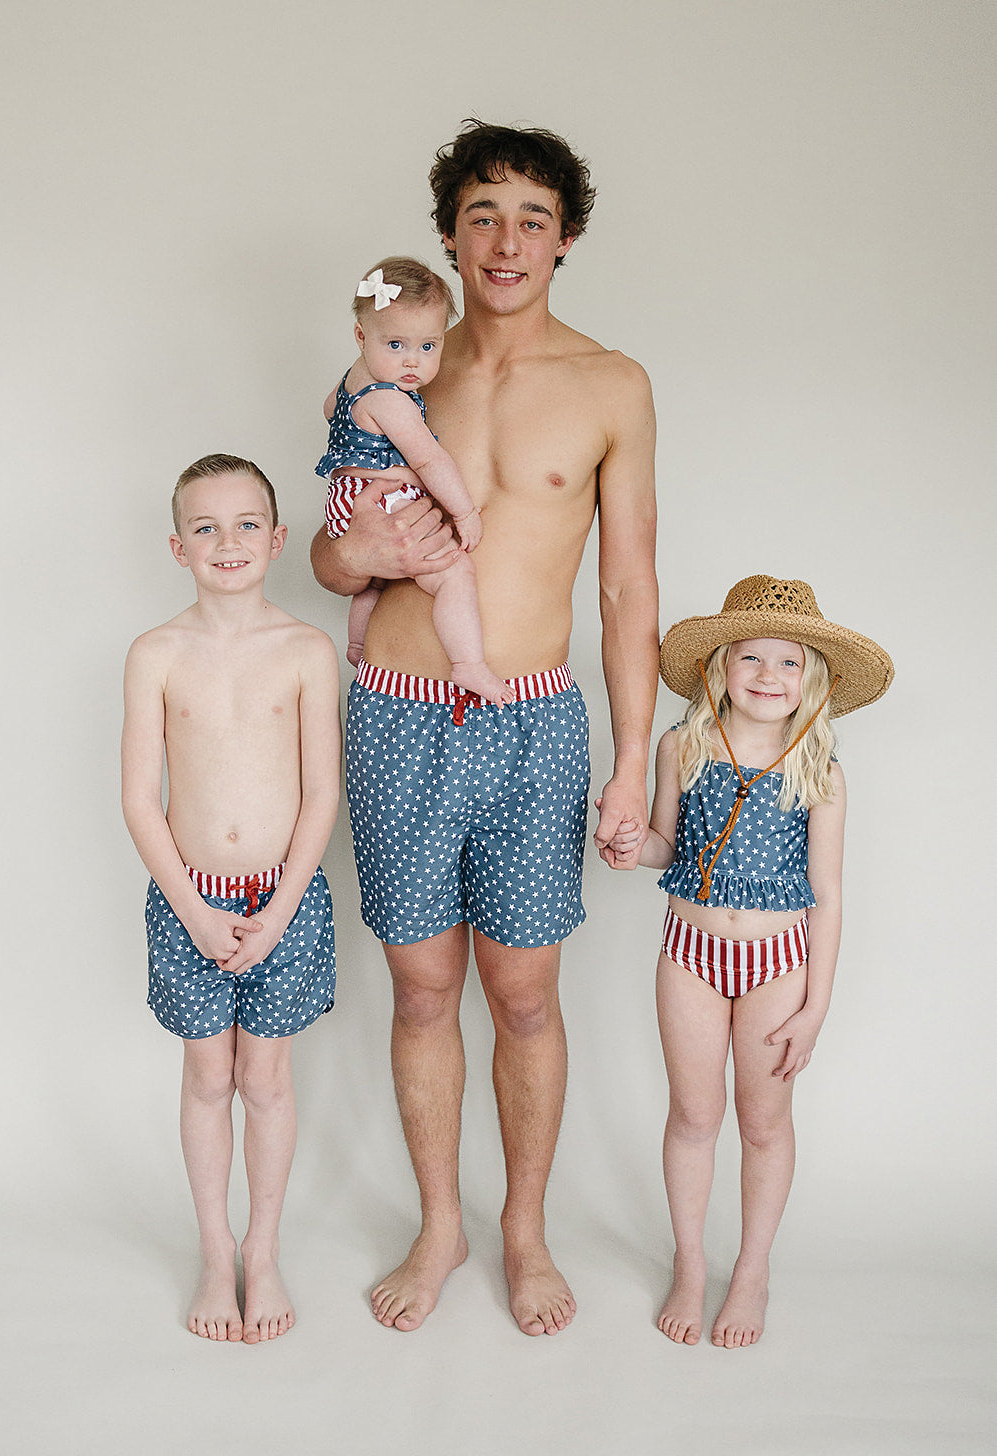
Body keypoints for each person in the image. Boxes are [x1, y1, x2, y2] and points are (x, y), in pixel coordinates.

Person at [311, 119, 659, 1335]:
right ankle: (439, 1224)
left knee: (522, 992)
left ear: (564, 238)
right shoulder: (394, 368)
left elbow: (625, 590)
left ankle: (523, 1229)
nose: (504, 239)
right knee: (418, 988)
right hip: (400, 712)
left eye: (529, 217)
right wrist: (345, 551)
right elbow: (334, 541)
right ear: (447, 235)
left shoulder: (611, 383)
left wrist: (629, 761)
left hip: (532, 723)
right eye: (480, 215)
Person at [628, 575, 892, 1348]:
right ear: (719, 667)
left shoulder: (820, 775)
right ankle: (688, 1262)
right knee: (692, 1114)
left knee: (763, 1120)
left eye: (787, 663)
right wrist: (624, 845)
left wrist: (815, 1008)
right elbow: (662, 848)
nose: (767, 677)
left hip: (778, 962)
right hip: (688, 954)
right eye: (751, 659)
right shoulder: (683, 748)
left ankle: (750, 1270)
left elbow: (829, 899)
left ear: (810, 679)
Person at [122, 454, 339, 1344]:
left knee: (266, 1078)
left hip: (284, 898)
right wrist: (195, 911)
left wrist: (281, 907)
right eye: (205, 527)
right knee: (209, 1076)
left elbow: (321, 792)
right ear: (178, 546)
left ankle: (263, 1245)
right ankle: (215, 1251)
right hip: (191, 899)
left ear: (278, 538)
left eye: (247, 523)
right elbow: (140, 798)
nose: (227, 542)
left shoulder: (305, 650)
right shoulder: (156, 653)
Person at [316, 256, 512, 704]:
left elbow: (331, 410)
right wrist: (462, 511)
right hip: (382, 498)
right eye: (396, 345)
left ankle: (359, 645)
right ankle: (468, 665)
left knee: (376, 581)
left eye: (428, 347)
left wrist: (365, 456)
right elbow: (429, 460)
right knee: (455, 573)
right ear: (362, 336)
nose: (412, 362)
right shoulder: (391, 399)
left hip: (347, 497)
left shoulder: (355, 376)